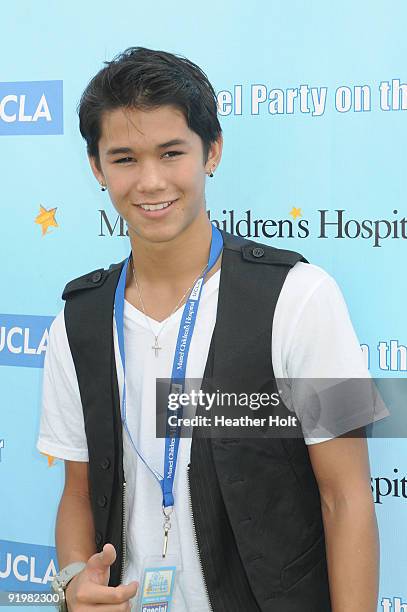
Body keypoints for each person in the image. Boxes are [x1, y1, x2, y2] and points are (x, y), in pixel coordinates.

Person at [37, 47, 381, 611]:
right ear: (97, 169)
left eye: (171, 153)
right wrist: (75, 579)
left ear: (211, 151)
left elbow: (346, 497)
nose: (150, 181)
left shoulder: (304, 295)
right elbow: (77, 490)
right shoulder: (76, 321)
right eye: (124, 158)